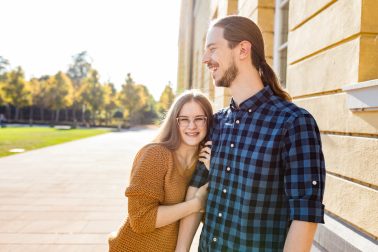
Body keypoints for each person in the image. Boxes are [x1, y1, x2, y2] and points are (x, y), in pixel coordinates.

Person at [176, 16, 326, 251]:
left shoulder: (294, 123)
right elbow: (196, 190)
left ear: (243, 50)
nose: (206, 59)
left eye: (213, 49)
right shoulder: (216, 123)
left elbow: (304, 217)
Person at [108, 90, 213, 252]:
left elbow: (208, 217)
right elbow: (140, 219)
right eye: (184, 119)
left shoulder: (203, 163)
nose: (192, 126)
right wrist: (195, 204)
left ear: (209, 122)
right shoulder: (155, 155)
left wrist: (214, 171)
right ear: (174, 122)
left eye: (199, 119)